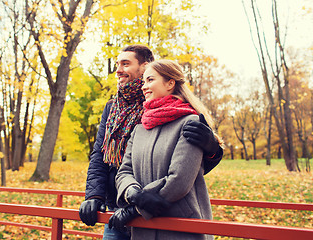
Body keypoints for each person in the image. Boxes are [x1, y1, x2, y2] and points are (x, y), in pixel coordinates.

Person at [79, 45, 223, 239]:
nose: (118, 70)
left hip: (164, 210)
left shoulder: (178, 112)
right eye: (117, 64)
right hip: (119, 204)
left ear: (145, 66)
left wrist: (212, 149)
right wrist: (95, 195)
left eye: (126, 63)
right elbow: (101, 154)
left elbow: (188, 170)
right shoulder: (114, 108)